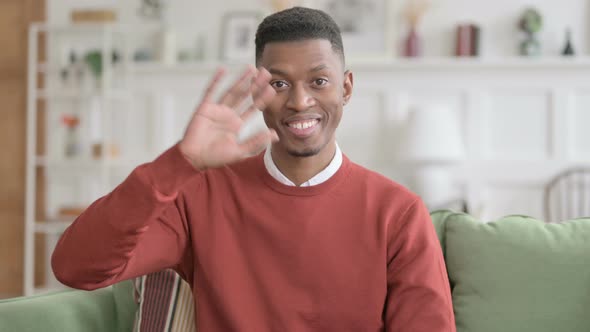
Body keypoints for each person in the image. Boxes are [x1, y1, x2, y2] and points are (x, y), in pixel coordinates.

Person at [52, 6, 455, 331]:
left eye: (318, 81)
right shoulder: (201, 195)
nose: (300, 101)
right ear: (259, 92)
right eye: (279, 84)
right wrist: (179, 164)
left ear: (346, 87)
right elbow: (77, 268)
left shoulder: (398, 212)